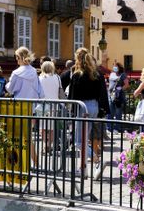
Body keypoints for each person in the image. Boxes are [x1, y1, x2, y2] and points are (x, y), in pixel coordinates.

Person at [69, 48, 110, 180]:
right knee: (84, 139)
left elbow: (72, 96)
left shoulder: (77, 75)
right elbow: (103, 94)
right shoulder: (97, 74)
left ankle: (97, 160)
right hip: (94, 106)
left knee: (78, 141)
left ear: (78, 59)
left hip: (82, 107)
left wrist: (71, 113)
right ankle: (83, 169)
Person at [38, 61, 64, 154]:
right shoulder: (57, 77)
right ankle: (49, 145)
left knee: (43, 128)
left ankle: (45, 145)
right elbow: (60, 91)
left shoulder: (39, 78)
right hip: (54, 105)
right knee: (52, 128)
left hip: (42, 105)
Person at [108, 62, 129, 127]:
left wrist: (120, 89)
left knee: (118, 113)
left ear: (119, 68)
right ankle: (109, 127)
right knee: (110, 112)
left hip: (119, 97)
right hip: (111, 95)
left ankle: (118, 128)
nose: (114, 67)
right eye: (113, 66)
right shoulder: (112, 74)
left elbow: (126, 84)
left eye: (116, 66)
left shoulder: (123, 75)